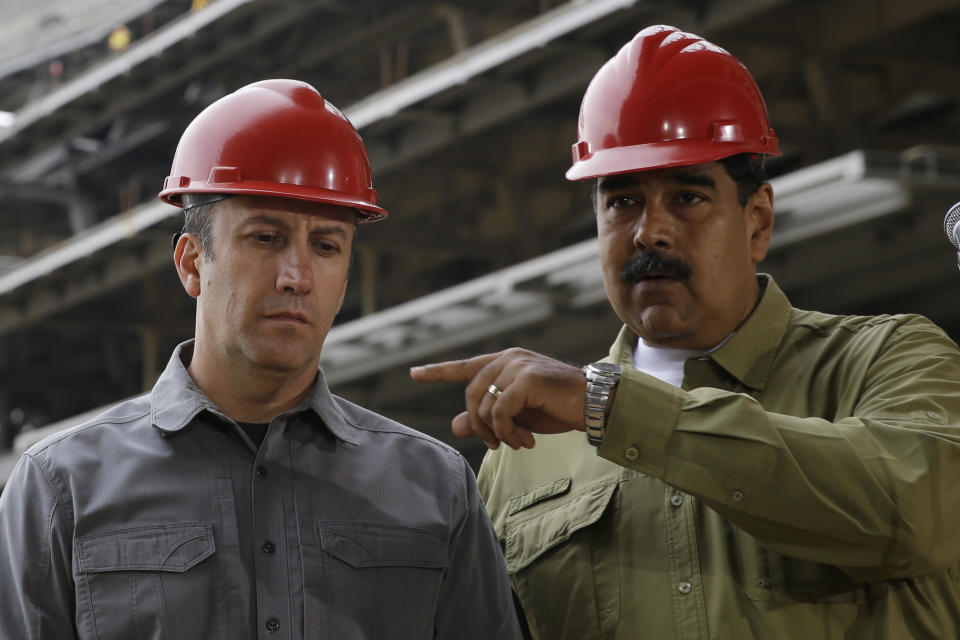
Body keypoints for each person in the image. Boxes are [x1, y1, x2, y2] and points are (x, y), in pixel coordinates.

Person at [410, 25, 960, 639]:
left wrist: (610, 406)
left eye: (688, 196)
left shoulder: (891, 361)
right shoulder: (523, 456)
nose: (650, 232)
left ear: (757, 222)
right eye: (621, 202)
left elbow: (914, 512)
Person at [0, 79, 519, 640]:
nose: (296, 277)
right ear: (193, 263)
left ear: (344, 276)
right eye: (266, 238)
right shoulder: (61, 488)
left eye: (326, 246)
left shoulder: (437, 490)